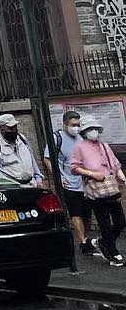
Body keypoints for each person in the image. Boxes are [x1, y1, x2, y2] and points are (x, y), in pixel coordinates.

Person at [71, 117, 125, 266]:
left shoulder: (104, 146)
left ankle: (103, 242)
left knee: (121, 221)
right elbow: (74, 168)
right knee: (104, 223)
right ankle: (113, 253)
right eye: (89, 129)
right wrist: (92, 174)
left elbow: (115, 165)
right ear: (84, 132)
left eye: (94, 128)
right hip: (95, 191)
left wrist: (122, 177)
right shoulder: (80, 148)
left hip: (111, 188)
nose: (93, 131)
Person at [52, 110, 95, 257]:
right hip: (68, 183)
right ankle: (82, 242)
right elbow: (47, 159)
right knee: (75, 213)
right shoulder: (57, 137)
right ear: (65, 124)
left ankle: (87, 240)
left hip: (84, 182)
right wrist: (58, 176)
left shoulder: (82, 138)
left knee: (87, 215)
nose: (76, 127)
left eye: (78, 124)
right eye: (73, 125)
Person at [0, 113, 43, 187]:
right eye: (10, 127)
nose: (13, 129)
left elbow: (32, 159)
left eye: (15, 126)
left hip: (32, 183)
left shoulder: (22, 139)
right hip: (13, 186)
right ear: (2, 128)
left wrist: (38, 178)